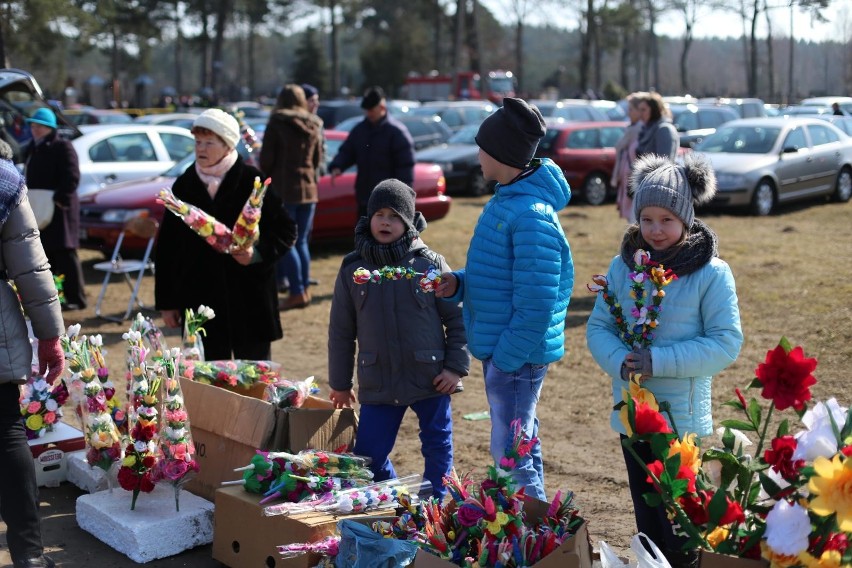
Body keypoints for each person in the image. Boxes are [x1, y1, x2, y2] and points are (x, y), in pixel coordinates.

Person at [586, 154, 743, 568]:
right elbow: (599, 326)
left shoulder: (711, 273)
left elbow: (725, 342)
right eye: (647, 219)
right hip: (632, 414)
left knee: (678, 515)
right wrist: (621, 361)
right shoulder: (623, 267)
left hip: (679, 418)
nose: (655, 230)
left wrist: (657, 360)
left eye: (667, 219)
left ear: (687, 219)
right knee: (645, 510)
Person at [434, 98, 574, 501]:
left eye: (482, 147)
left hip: (516, 357)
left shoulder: (531, 215)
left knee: (510, 456)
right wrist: (458, 284)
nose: (477, 155)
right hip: (506, 353)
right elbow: (498, 275)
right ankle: (540, 533)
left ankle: (532, 540)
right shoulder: (506, 201)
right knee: (521, 443)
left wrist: (506, 358)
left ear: (502, 154)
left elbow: (538, 300)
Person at [328, 179, 469, 501]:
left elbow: (457, 319)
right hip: (378, 380)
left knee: (438, 449)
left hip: (430, 378)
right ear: (368, 218)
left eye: (394, 215)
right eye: (379, 214)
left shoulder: (429, 264)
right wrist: (339, 382)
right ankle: (397, 502)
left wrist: (455, 368)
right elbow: (341, 330)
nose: (386, 221)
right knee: (369, 458)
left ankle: (432, 509)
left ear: (408, 221)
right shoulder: (353, 268)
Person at [155, 109, 296, 360]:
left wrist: (256, 254)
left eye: (210, 142)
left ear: (228, 145)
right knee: (210, 381)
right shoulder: (184, 185)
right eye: (198, 142)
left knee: (253, 381)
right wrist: (167, 302)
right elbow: (167, 248)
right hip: (201, 298)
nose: (202, 148)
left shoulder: (252, 181)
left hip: (249, 299)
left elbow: (286, 229)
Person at [0, 138, 65, 568]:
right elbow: (30, 264)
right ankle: (29, 556)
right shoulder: (3, 180)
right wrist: (49, 334)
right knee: (6, 433)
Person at [260, 84, 324, 311]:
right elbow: (318, 160)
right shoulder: (314, 124)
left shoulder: (277, 123)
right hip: (308, 190)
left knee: (286, 242)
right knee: (302, 242)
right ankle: (303, 288)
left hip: (284, 190)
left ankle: (297, 291)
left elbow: (266, 160)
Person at [23, 107, 87, 310]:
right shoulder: (32, 148)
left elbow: (72, 177)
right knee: (48, 255)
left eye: (39, 126)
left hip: (61, 211)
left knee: (66, 254)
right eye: (33, 126)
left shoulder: (62, 146)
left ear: (50, 128)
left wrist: (59, 200)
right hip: (41, 209)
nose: (35, 130)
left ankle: (76, 298)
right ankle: (56, 297)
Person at [328, 86, 415, 218]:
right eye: (367, 110)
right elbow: (347, 151)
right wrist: (337, 165)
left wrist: (403, 196)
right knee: (363, 235)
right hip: (365, 197)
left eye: (371, 110)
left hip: (389, 200)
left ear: (382, 108)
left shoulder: (397, 133)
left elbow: (405, 167)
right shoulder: (360, 130)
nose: (369, 113)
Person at [610, 93, 645, 223]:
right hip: (628, 177)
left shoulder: (639, 129)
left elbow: (620, 147)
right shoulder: (633, 128)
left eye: (631, 109)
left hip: (633, 178)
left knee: (634, 216)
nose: (628, 113)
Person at [635, 91, 679, 160]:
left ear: (654, 110)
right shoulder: (646, 130)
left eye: (643, 110)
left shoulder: (664, 129)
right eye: (639, 110)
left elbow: (665, 162)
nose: (640, 114)